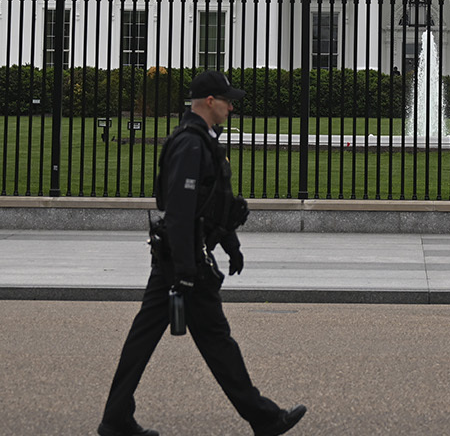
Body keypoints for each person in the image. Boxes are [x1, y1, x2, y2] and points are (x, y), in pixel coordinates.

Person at [97, 70, 307, 436]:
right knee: (214, 340)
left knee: (148, 338)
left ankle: (116, 418)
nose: (231, 107)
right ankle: (265, 418)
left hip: (182, 257)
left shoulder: (202, 140)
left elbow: (209, 203)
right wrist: (185, 268)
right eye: (227, 101)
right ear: (209, 101)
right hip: (184, 259)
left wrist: (230, 244)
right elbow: (179, 209)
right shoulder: (191, 144)